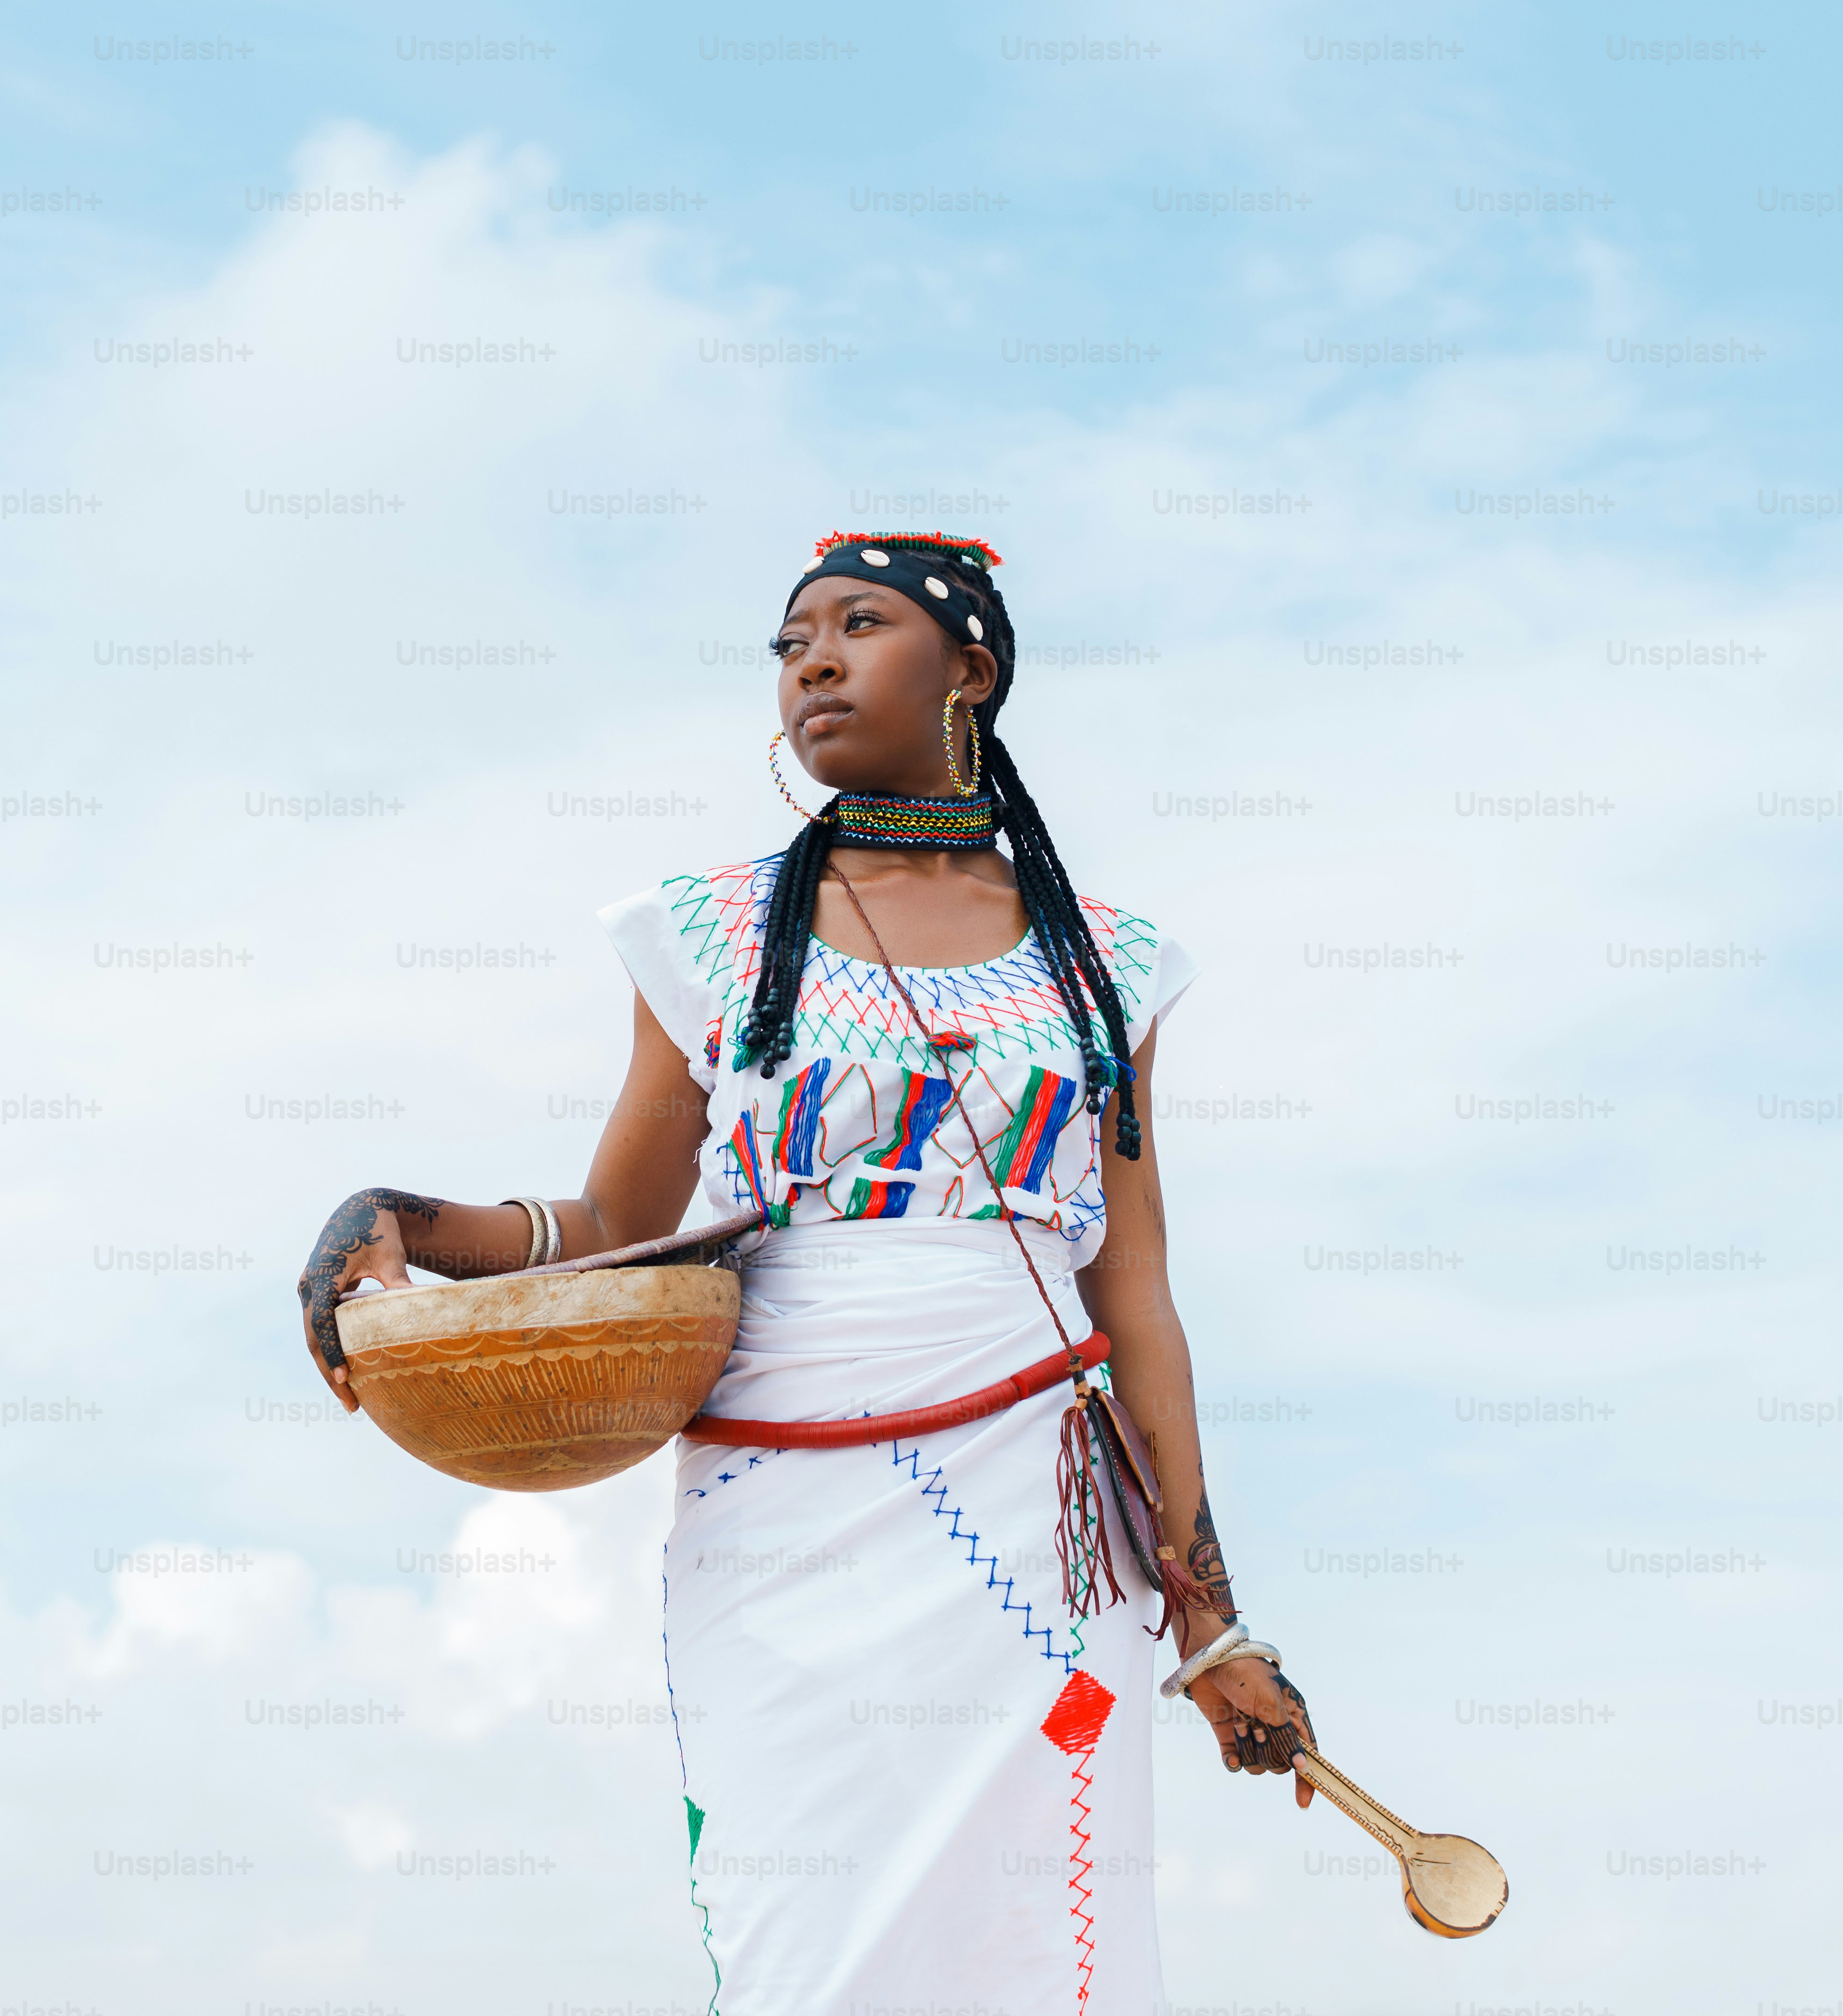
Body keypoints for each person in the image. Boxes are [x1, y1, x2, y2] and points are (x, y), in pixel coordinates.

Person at [296, 531, 1316, 2013]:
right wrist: (406, 1220)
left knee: (1046, 1925)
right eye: (790, 643)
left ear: (971, 670)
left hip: (1038, 1518)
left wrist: (1212, 1622)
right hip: (778, 1514)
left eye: (860, 624)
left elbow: (1137, 1301)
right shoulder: (710, 935)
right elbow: (616, 1222)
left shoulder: (1107, 964)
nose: (814, 662)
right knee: (804, 1931)